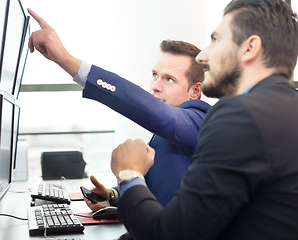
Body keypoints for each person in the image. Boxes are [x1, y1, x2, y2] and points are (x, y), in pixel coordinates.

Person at [109, 0, 298, 239]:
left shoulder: (239, 115)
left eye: (216, 40)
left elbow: (170, 234)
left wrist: (129, 174)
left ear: (250, 48)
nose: (203, 56)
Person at [27, 9, 211, 208]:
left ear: (194, 91)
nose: (155, 86)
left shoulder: (200, 121)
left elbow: (149, 108)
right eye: (155, 75)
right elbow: (153, 192)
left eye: (169, 79)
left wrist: (64, 58)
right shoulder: (162, 134)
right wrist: (112, 196)